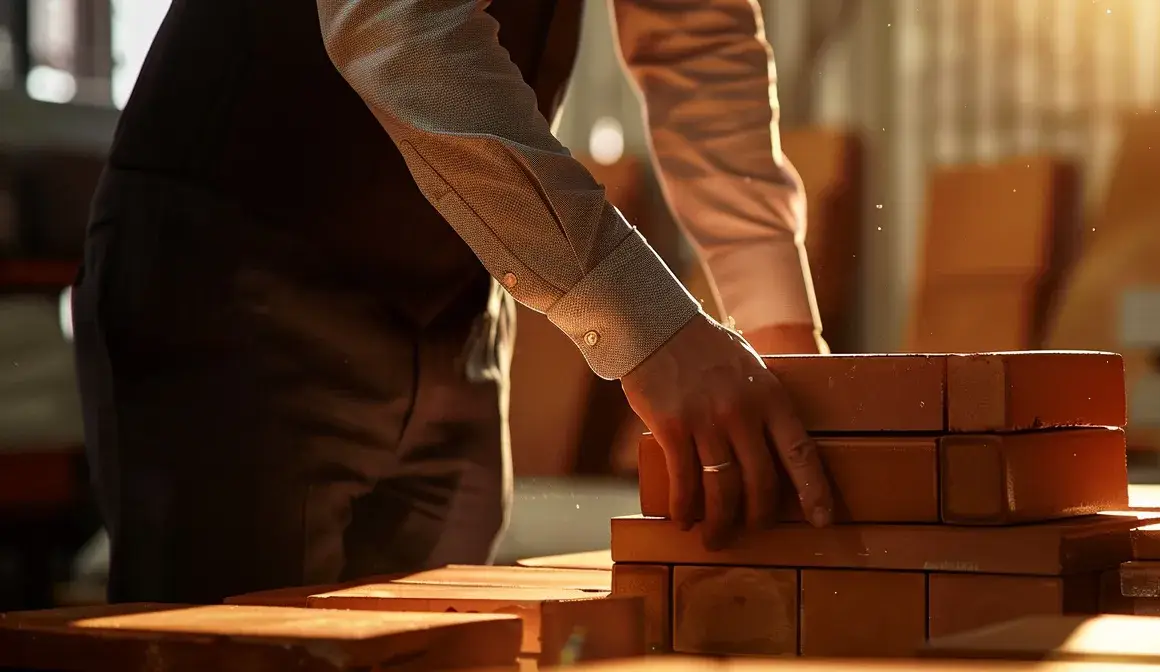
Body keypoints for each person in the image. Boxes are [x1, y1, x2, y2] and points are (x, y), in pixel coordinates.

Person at [72, 0, 834, 605]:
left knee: (444, 646)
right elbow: (401, 26)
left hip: (454, 315)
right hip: (238, 289)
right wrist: (652, 329)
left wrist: (786, 340)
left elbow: (697, 44)